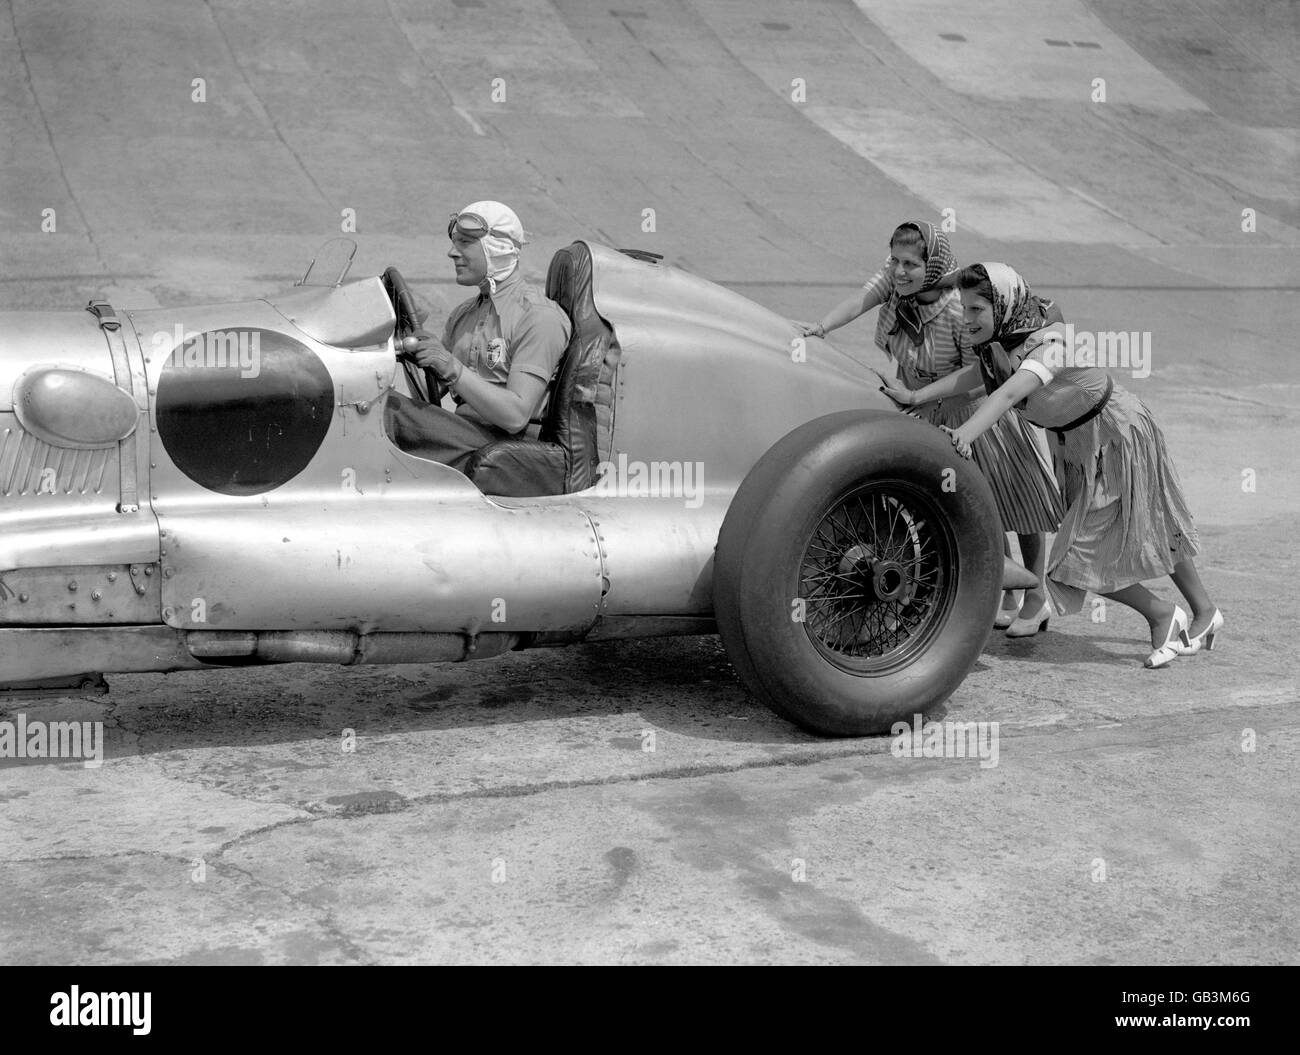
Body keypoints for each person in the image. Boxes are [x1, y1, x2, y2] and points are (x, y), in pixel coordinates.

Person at [941, 262, 1223, 668]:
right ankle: (1205, 612)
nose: (966, 320)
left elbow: (1006, 396)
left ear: (1001, 304)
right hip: (1076, 446)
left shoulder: (1048, 342)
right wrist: (918, 399)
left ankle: (1164, 614)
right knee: (1150, 522)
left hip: (1117, 434)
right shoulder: (1000, 341)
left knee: (1071, 562)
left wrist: (964, 435)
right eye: (964, 309)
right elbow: (977, 380)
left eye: (975, 310)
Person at [802, 221, 1063, 634]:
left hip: (978, 414)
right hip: (927, 412)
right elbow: (861, 299)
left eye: (911, 263)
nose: (900, 271)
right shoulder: (895, 286)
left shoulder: (961, 310)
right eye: (896, 261)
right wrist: (821, 327)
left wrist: (923, 397)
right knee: (981, 506)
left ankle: (1036, 596)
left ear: (934, 266)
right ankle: (1004, 591)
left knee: (1018, 505)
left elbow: (979, 374)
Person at [385, 200, 572, 472]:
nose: (452, 252)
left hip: (505, 450)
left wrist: (452, 368)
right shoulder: (463, 314)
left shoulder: (539, 318)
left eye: (465, 243)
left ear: (497, 249)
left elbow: (515, 416)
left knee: (389, 412)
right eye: (454, 242)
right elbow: (429, 398)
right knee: (370, 402)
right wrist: (413, 353)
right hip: (465, 436)